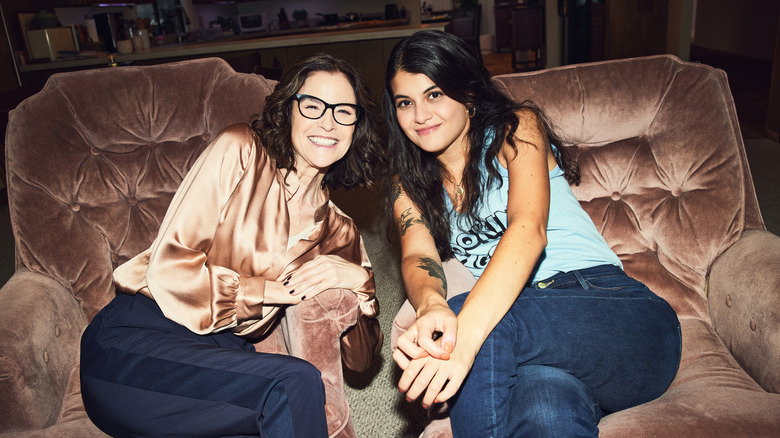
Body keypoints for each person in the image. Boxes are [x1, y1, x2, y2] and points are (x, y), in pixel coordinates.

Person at [383, 30, 681, 437]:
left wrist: (462, 330)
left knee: (477, 320)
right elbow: (418, 255)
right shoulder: (409, 184)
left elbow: (528, 228)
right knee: (545, 410)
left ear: (468, 95)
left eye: (434, 94)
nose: (419, 115)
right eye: (405, 102)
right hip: (545, 366)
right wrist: (431, 304)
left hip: (619, 317)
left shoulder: (515, 128)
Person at [79, 53, 385, 438]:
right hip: (135, 344)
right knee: (293, 383)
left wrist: (362, 281)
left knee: (284, 405)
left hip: (224, 371)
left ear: (357, 126)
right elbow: (168, 268)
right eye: (312, 106)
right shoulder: (241, 150)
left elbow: (361, 363)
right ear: (287, 111)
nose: (328, 121)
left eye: (344, 111)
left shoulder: (340, 231)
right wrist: (275, 291)